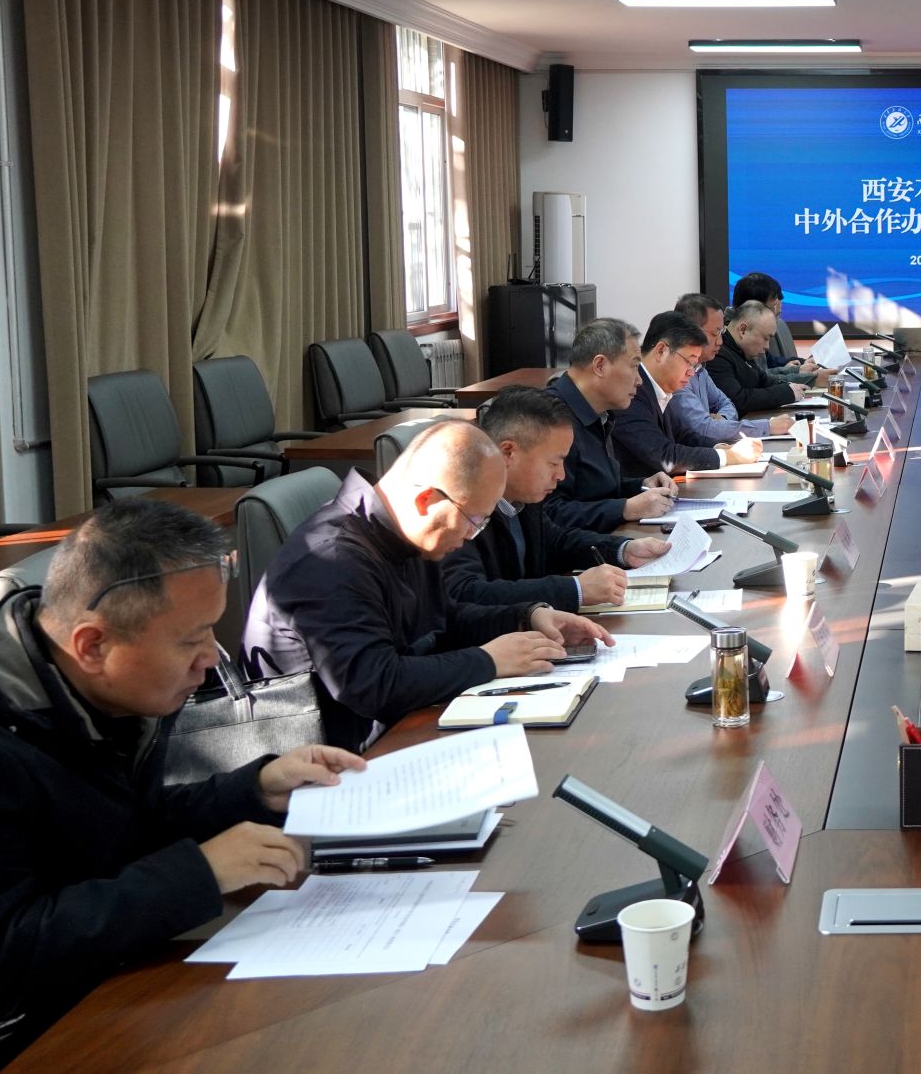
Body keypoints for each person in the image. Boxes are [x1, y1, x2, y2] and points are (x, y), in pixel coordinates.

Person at [0, 501, 365, 1074]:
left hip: (99, 986)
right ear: (92, 645)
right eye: (191, 640)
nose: (211, 659)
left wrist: (254, 790)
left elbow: (117, 824)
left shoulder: (89, 681)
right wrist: (202, 873)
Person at [243, 420, 608, 749]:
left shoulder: (404, 534)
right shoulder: (332, 562)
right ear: (425, 501)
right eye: (474, 520)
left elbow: (444, 617)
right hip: (337, 760)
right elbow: (373, 684)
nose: (471, 536)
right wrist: (487, 661)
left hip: (402, 725)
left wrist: (527, 617)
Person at [443, 387, 672, 612]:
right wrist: (574, 589)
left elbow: (558, 542)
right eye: (553, 463)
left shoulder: (523, 498)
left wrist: (624, 549)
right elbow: (465, 592)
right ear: (508, 452)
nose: (561, 475)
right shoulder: (461, 509)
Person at [542, 316, 677, 534]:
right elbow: (548, 514)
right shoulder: (550, 418)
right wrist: (625, 509)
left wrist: (642, 485)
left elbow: (595, 488)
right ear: (600, 365)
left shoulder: (601, 413)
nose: (639, 380)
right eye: (634, 366)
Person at [612, 311, 761, 478]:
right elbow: (665, 456)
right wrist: (729, 456)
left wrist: (720, 447)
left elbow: (683, 435)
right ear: (661, 351)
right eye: (690, 362)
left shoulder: (660, 388)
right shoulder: (631, 392)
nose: (691, 373)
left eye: (695, 365)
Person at [667, 293, 794, 446]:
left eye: (722, 333)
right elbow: (703, 429)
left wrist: (722, 420)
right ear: (690, 332)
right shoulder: (677, 375)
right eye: (715, 334)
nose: (720, 341)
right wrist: (768, 427)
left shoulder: (700, 368)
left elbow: (727, 404)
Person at [707, 299, 811, 417]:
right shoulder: (717, 355)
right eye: (765, 338)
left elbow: (764, 380)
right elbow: (738, 400)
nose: (767, 347)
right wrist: (787, 393)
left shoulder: (741, 350)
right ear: (743, 330)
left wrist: (790, 386)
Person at [731, 271, 830, 386]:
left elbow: (765, 368)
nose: (766, 347)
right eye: (772, 308)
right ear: (752, 306)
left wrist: (799, 367)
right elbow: (758, 382)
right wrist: (810, 379)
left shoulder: (750, 332)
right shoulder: (730, 339)